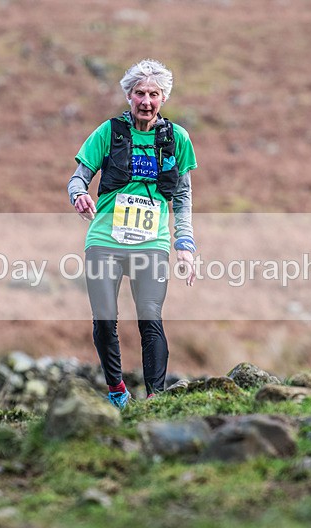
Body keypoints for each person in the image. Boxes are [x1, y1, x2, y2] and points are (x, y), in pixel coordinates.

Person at [67, 59, 197, 409]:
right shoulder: (108, 132)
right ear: (129, 96)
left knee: (150, 315)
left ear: (164, 98)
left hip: (151, 243)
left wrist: (184, 244)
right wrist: (79, 196)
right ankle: (117, 391)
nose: (146, 101)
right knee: (104, 318)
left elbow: (183, 196)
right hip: (105, 240)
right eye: (140, 93)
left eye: (154, 94)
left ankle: (155, 397)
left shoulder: (177, 139)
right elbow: (78, 178)